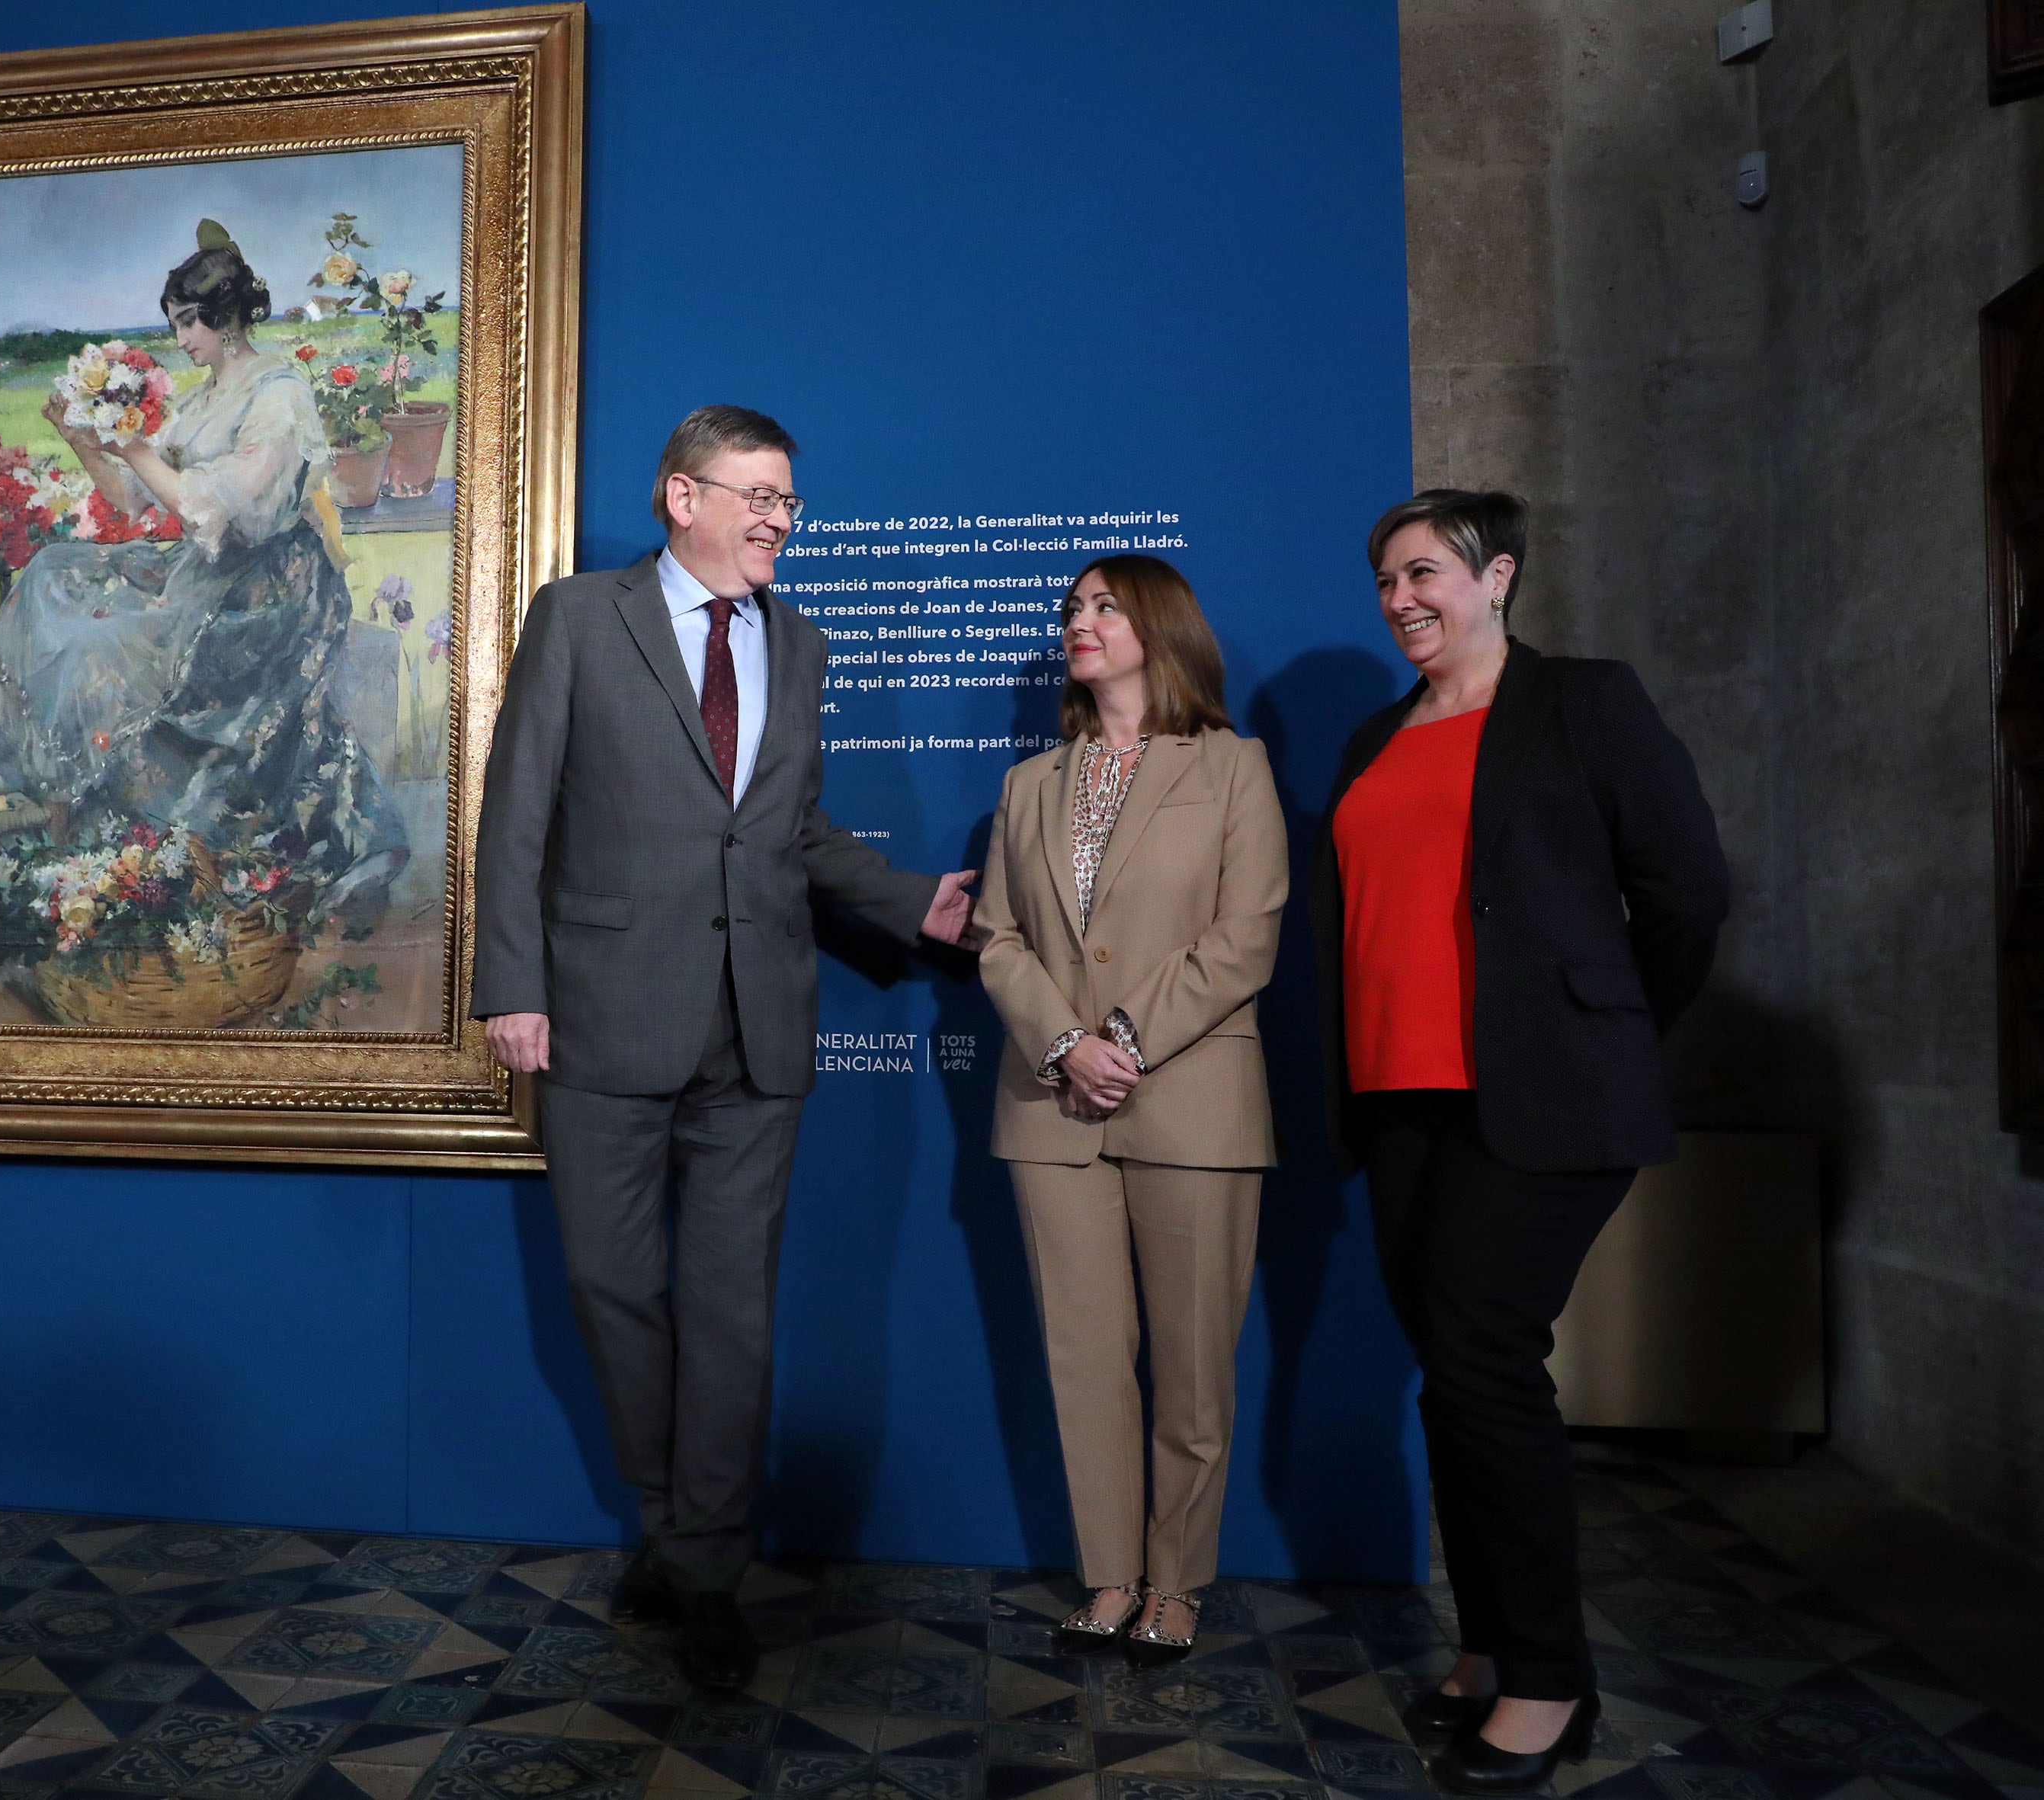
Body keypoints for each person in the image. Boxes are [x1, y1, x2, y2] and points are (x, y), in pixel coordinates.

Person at [472, 404, 977, 1692]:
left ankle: (702, 1567)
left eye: (788, 500)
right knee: (612, 1291)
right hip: (596, 1016)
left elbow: (786, 831)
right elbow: (517, 807)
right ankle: (670, 1518)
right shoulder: (581, 618)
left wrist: (907, 900)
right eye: (753, 493)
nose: (775, 518)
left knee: (732, 1312)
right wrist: (511, 987)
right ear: (677, 497)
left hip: (757, 1026)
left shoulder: (798, 643)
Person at [1315, 490, 1725, 1792]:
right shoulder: (1374, 736)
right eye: (1383, 579)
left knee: (1485, 1363)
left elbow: (1684, 894)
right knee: (1452, 1371)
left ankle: (1549, 1679)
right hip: (1396, 1101)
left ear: (1497, 575)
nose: (1398, 598)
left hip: (1534, 1100)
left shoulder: (1582, 702)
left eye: (1423, 571)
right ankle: (1491, 1646)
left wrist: (1592, 1028)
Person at [972, 555, 1286, 1664]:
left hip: (1192, 1104)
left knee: (1192, 1367)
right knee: (1083, 1358)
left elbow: (1244, 935)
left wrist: (1126, 1038)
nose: (1078, 622)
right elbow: (997, 937)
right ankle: (1108, 1576)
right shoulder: (1025, 786)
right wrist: (1065, 1044)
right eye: (1070, 608)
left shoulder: (1232, 768)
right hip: (1050, 1110)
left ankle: (1178, 1581)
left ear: (1159, 625)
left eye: (1103, 605)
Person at [0, 219, 404, 948]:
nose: (182, 338)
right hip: (207, 571)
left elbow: (215, 509)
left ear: (228, 316)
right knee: (55, 572)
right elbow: (133, 499)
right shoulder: (210, 392)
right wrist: (86, 440)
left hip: (267, 591)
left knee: (112, 640)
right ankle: (11, 774)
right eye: (175, 323)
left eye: (190, 321)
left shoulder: (277, 393)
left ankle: (112, 816)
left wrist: (132, 441)